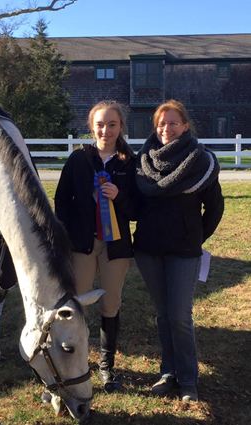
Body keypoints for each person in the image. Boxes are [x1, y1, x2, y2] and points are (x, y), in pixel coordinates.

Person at [134, 99, 224, 402]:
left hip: (184, 252)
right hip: (148, 250)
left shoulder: (201, 161)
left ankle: (188, 380)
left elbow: (214, 208)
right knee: (163, 314)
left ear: (185, 125)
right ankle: (168, 371)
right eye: (161, 123)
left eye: (173, 122)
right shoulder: (143, 161)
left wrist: (194, 236)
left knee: (180, 315)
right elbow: (135, 206)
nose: (166, 128)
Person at [54, 100, 138, 392]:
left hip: (116, 246)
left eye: (112, 124)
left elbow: (139, 209)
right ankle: (76, 362)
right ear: (92, 127)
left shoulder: (130, 162)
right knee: (77, 304)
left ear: (120, 127)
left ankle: (106, 366)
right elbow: (62, 201)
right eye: (100, 124)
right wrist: (71, 234)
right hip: (83, 246)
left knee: (110, 303)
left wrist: (119, 198)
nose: (106, 130)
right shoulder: (78, 160)